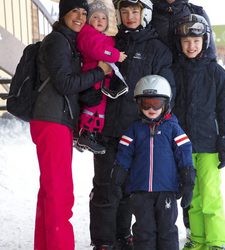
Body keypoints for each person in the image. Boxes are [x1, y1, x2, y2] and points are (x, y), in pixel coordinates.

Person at [85, 0, 175, 249]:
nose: (130, 16)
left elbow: (167, 92)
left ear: (144, 13)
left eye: (135, 11)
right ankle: (104, 242)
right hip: (108, 131)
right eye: (125, 12)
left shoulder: (158, 49)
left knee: (130, 190)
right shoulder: (111, 44)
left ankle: (123, 236)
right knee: (106, 188)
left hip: (140, 134)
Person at [29, 0, 112, 249]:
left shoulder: (67, 41)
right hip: (52, 121)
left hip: (54, 120)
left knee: (49, 193)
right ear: (64, 13)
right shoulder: (58, 41)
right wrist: (100, 71)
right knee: (60, 195)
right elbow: (65, 84)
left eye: (84, 12)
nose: (80, 16)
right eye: (75, 11)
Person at [172, 14, 225, 250]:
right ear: (180, 43)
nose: (191, 46)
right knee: (192, 197)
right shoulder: (175, 71)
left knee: (209, 195)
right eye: (187, 41)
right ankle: (198, 239)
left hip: (209, 146)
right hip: (183, 146)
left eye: (196, 41)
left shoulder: (216, 72)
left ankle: (216, 241)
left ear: (205, 41)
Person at [111, 75, 196, 250]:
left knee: (167, 230)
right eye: (145, 103)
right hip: (140, 191)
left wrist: (187, 181)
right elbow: (124, 153)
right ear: (138, 104)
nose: (151, 108)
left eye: (156, 103)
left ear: (166, 104)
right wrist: (118, 176)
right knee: (144, 231)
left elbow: (184, 153)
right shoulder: (134, 130)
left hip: (166, 190)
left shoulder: (173, 128)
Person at [76, 0, 127, 154]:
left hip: (100, 80)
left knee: (99, 107)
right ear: (88, 20)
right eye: (95, 17)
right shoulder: (87, 34)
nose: (100, 20)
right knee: (93, 106)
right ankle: (86, 133)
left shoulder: (98, 36)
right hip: (93, 80)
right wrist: (116, 55)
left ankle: (90, 134)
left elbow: (105, 43)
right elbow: (99, 50)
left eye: (103, 18)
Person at [151, 0, 216, 60]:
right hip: (156, 69)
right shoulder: (147, 12)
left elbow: (210, 54)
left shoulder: (197, 12)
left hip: (188, 69)